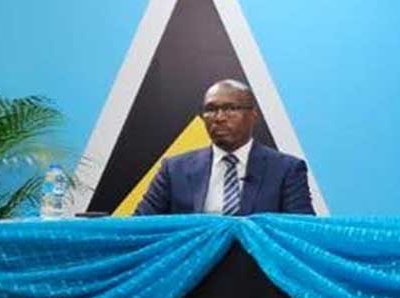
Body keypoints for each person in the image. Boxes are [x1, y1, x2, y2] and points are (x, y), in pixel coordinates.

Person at [135, 79, 314, 216]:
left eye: (230, 108)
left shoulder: (286, 170)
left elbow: (299, 234)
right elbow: (141, 226)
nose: (219, 118)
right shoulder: (174, 170)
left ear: (253, 115)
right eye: (211, 109)